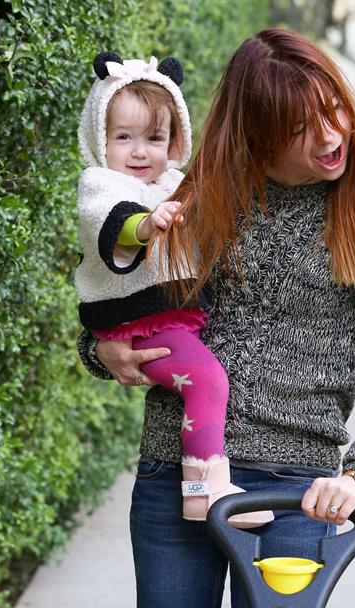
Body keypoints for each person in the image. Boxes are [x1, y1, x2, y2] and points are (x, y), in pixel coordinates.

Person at [77, 27, 355, 608]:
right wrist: (102, 352)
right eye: (299, 127)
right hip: (177, 472)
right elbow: (121, 300)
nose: (330, 134)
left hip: (297, 489)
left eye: (333, 107)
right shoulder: (200, 197)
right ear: (256, 133)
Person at [75, 51, 272, 529]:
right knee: (207, 381)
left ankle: (206, 487)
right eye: (124, 138)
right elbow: (113, 225)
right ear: (100, 140)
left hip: (163, 316)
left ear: (175, 140)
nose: (140, 152)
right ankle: (205, 490)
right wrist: (147, 225)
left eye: (154, 138)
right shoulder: (100, 183)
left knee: (204, 381)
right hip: (135, 319)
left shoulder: (173, 183)